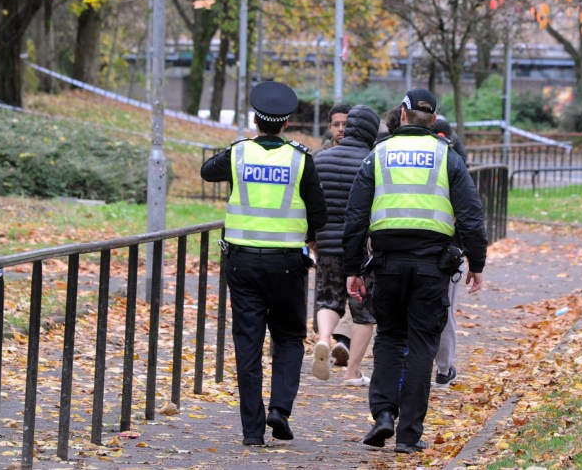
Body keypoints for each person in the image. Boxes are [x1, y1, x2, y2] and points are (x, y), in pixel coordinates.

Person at [343, 89, 488, 453]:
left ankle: (383, 415)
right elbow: (471, 215)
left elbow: (356, 216)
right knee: (423, 344)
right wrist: (477, 262)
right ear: (433, 120)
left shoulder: (379, 154)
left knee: (390, 337)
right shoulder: (448, 157)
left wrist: (353, 267)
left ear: (403, 116)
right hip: (432, 266)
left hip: (388, 264)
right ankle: (408, 433)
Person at [200, 81, 327, 446]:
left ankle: (252, 432)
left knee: (248, 343)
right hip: (287, 263)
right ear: (286, 123)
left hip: (241, 264)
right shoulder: (300, 159)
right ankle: (280, 410)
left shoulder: (238, 155)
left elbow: (208, 171)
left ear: (255, 119)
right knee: (288, 337)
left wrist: (237, 149)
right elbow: (320, 214)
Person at [311, 105, 381, 386]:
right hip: (360, 250)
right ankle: (352, 372)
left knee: (329, 299)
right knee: (364, 313)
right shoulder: (371, 162)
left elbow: (311, 202)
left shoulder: (322, 160)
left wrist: (312, 236)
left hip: (325, 244)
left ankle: (325, 338)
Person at [429, 117, 468, 389]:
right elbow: (470, 214)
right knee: (445, 310)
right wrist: (474, 258)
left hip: (410, 247)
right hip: (449, 252)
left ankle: (409, 364)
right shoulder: (455, 164)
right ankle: (444, 368)